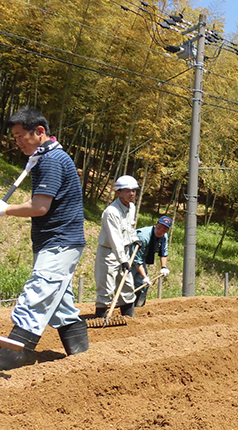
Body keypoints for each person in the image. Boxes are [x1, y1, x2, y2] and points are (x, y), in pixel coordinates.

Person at [0, 108, 89, 369]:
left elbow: (40, 207)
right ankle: (83, 356)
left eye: (20, 136)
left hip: (60, 240)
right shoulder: (44, 158)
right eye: (14, 138)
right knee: (61, 306)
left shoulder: (52, 161)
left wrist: (5, 210)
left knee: (38, 292)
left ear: (39, 132)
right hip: (54, 240)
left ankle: (11, 357)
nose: (17, 142)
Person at [94, 175, 140, 318]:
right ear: (119, 192)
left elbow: (129, 227)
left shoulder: (131, 207)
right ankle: (101, 319)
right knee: (106, 287)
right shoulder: (111, 212)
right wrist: (123, 260)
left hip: (124, 252)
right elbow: (115, 239)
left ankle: (128, 317)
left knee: (127, 285)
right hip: (109, 253)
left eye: (134, 191)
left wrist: (135, 239)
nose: (132, 194)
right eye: (128, 191)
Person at [132, 215, 172, 307]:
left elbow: (163, 252)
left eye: (164, 230)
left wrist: (164, 267)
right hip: (128, 259)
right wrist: (144, 277)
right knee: (128, 284)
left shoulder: (164, 236)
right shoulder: (143, 236)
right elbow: (137, 260)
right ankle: (125, 309)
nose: (160, 232)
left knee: (143, 286)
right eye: (159, 228)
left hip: (141, 260)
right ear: (155, 224)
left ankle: (138, 308)